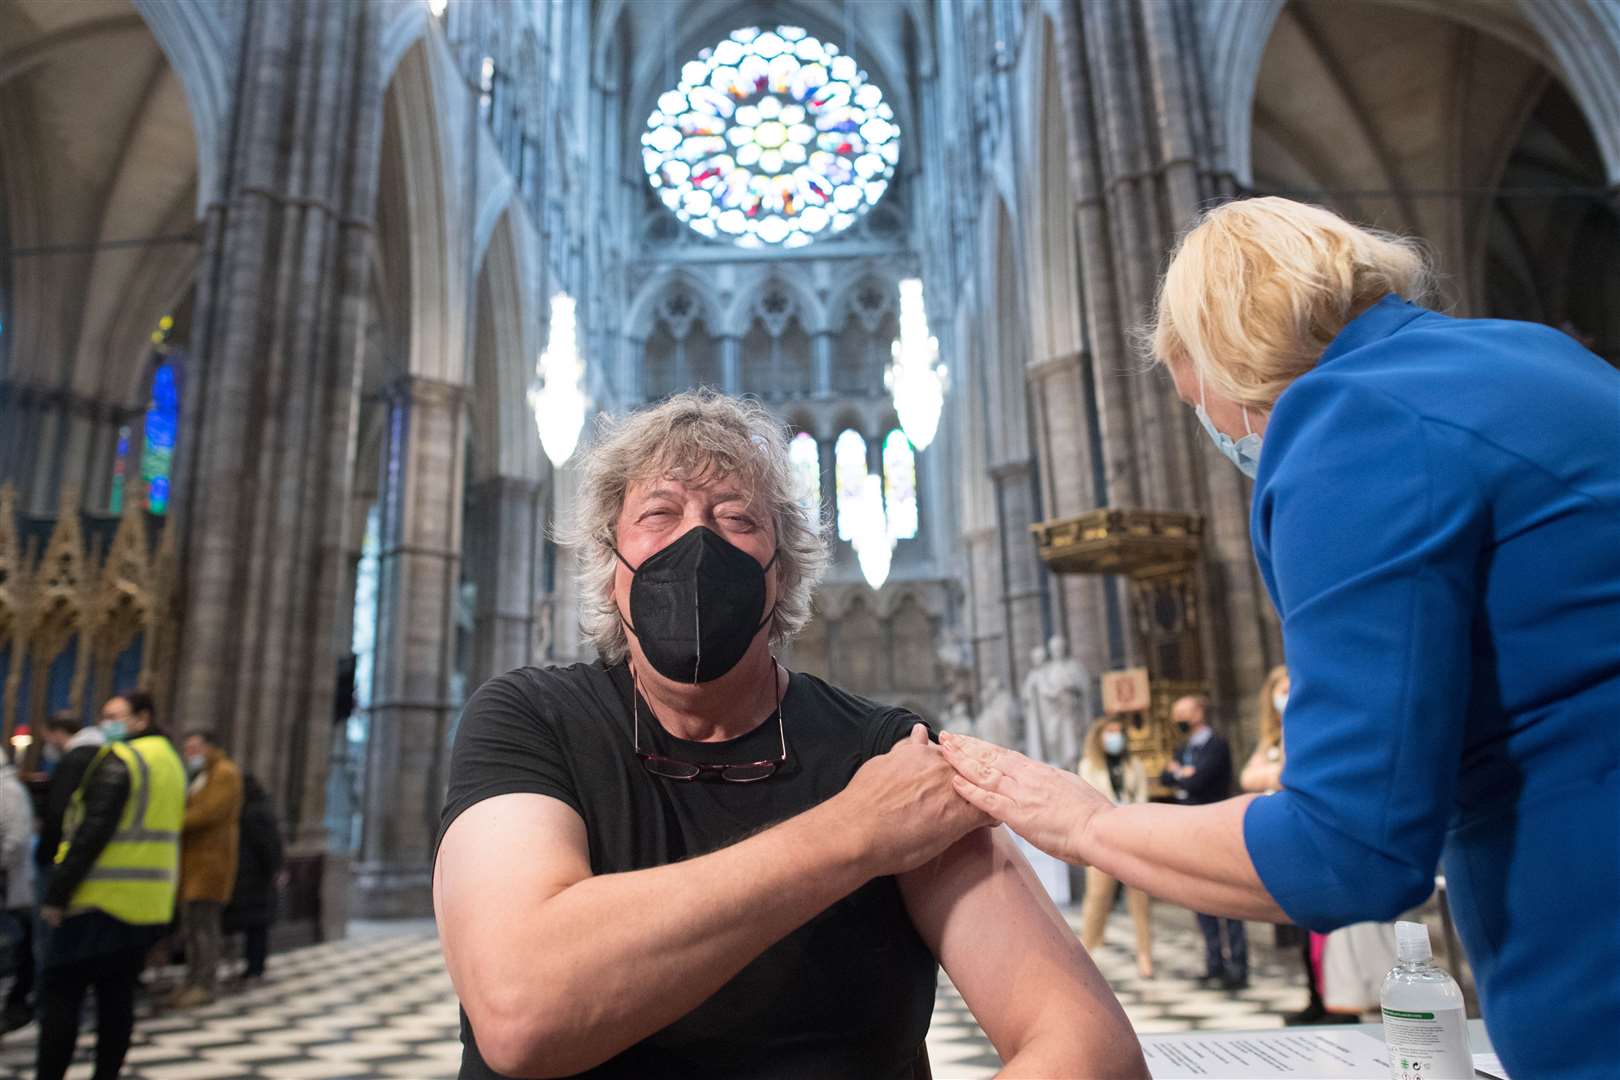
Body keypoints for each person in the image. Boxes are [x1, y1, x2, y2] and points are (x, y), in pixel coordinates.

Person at [940, 195, 1620, 1078]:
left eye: (1199, 400)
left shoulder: (1352, 422)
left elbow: (1350, 851)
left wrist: (1089, 826)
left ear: (1228, 354)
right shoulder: (1538, 355)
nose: (1220, 431)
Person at [434, 390, 1145, 1079]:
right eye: (659, 512)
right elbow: (521, 1011)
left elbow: (1092, 1050)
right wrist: (854, 833)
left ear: (783, 569)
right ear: (609, 565)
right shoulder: (530, 720)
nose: (697, 539)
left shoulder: (889, 754)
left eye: (736, 518)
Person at [37, 689, 184, 1080]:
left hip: (97, 898)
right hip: (147, 901)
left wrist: (57, 894)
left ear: (142, 718)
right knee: (116, 999)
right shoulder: (171, 761)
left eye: (114, 715)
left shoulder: (124, 759)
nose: (106, 723)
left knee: (60, 994)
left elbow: (91, 832)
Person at [1239, 666, 1324, 1024]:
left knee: (1321, 928)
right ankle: (1315, 997)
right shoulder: (1271, 738)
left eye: (1291, 688)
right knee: (1300, 929)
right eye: (1280, 691)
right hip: (1286, 839)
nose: (1284, 697)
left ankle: (1334, 998)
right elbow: (1248, 777)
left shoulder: (1308, 727)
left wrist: (1274, 775)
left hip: (1314, 838)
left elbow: (1298, 775)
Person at [1159, 695, 1246, 990]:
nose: (1177, 720)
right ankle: (1214, 964)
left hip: (1216, 826)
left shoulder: (1216, 745)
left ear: (1197, 713)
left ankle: (1237, 966)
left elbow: (1198, 782)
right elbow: (1165, 776)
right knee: (1200, 898)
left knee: (1229, 900)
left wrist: (1181, 775)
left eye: (1181, 713)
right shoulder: (1184, 747)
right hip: (1189, 828)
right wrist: (1181, 774)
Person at [1076, 717, 1152, 979]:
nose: (1115, 737)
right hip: (1103, 839)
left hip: (1133, 839)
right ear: (1099, 736)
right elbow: (1088, 798)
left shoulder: (1134, 765)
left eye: (1119, 732)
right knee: (1098, 897)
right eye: (1110, 732)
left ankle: (1145, 956)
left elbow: (1142, 796)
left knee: (1140, 900)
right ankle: (1087, 950)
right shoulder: (1089, 766)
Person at [172, 729, 242, 1007]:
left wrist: (170, 819)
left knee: (204, 926)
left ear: (210, 748)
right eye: (187, 748)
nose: (190, 754)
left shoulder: (224, 773)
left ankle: (205, 982)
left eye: (194, 748)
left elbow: (209, 812)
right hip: (193, 862)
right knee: (191, 925)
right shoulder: (202, 775)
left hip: (210, 864)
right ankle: (192, 979)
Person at [223, 773, 284, 985]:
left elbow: (268, 846)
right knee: (256, 925)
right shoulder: (258, 809)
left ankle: (254, 968)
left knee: (256, 926)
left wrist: (273, 869)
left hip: (254, 878)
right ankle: (253, 967)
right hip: (255, 878)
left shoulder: (252, 812)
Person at [0, 749, 36, 1031]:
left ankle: (16, 1004)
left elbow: (16, 839)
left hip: (8, 883)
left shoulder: (9, 790)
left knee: (15, 945)